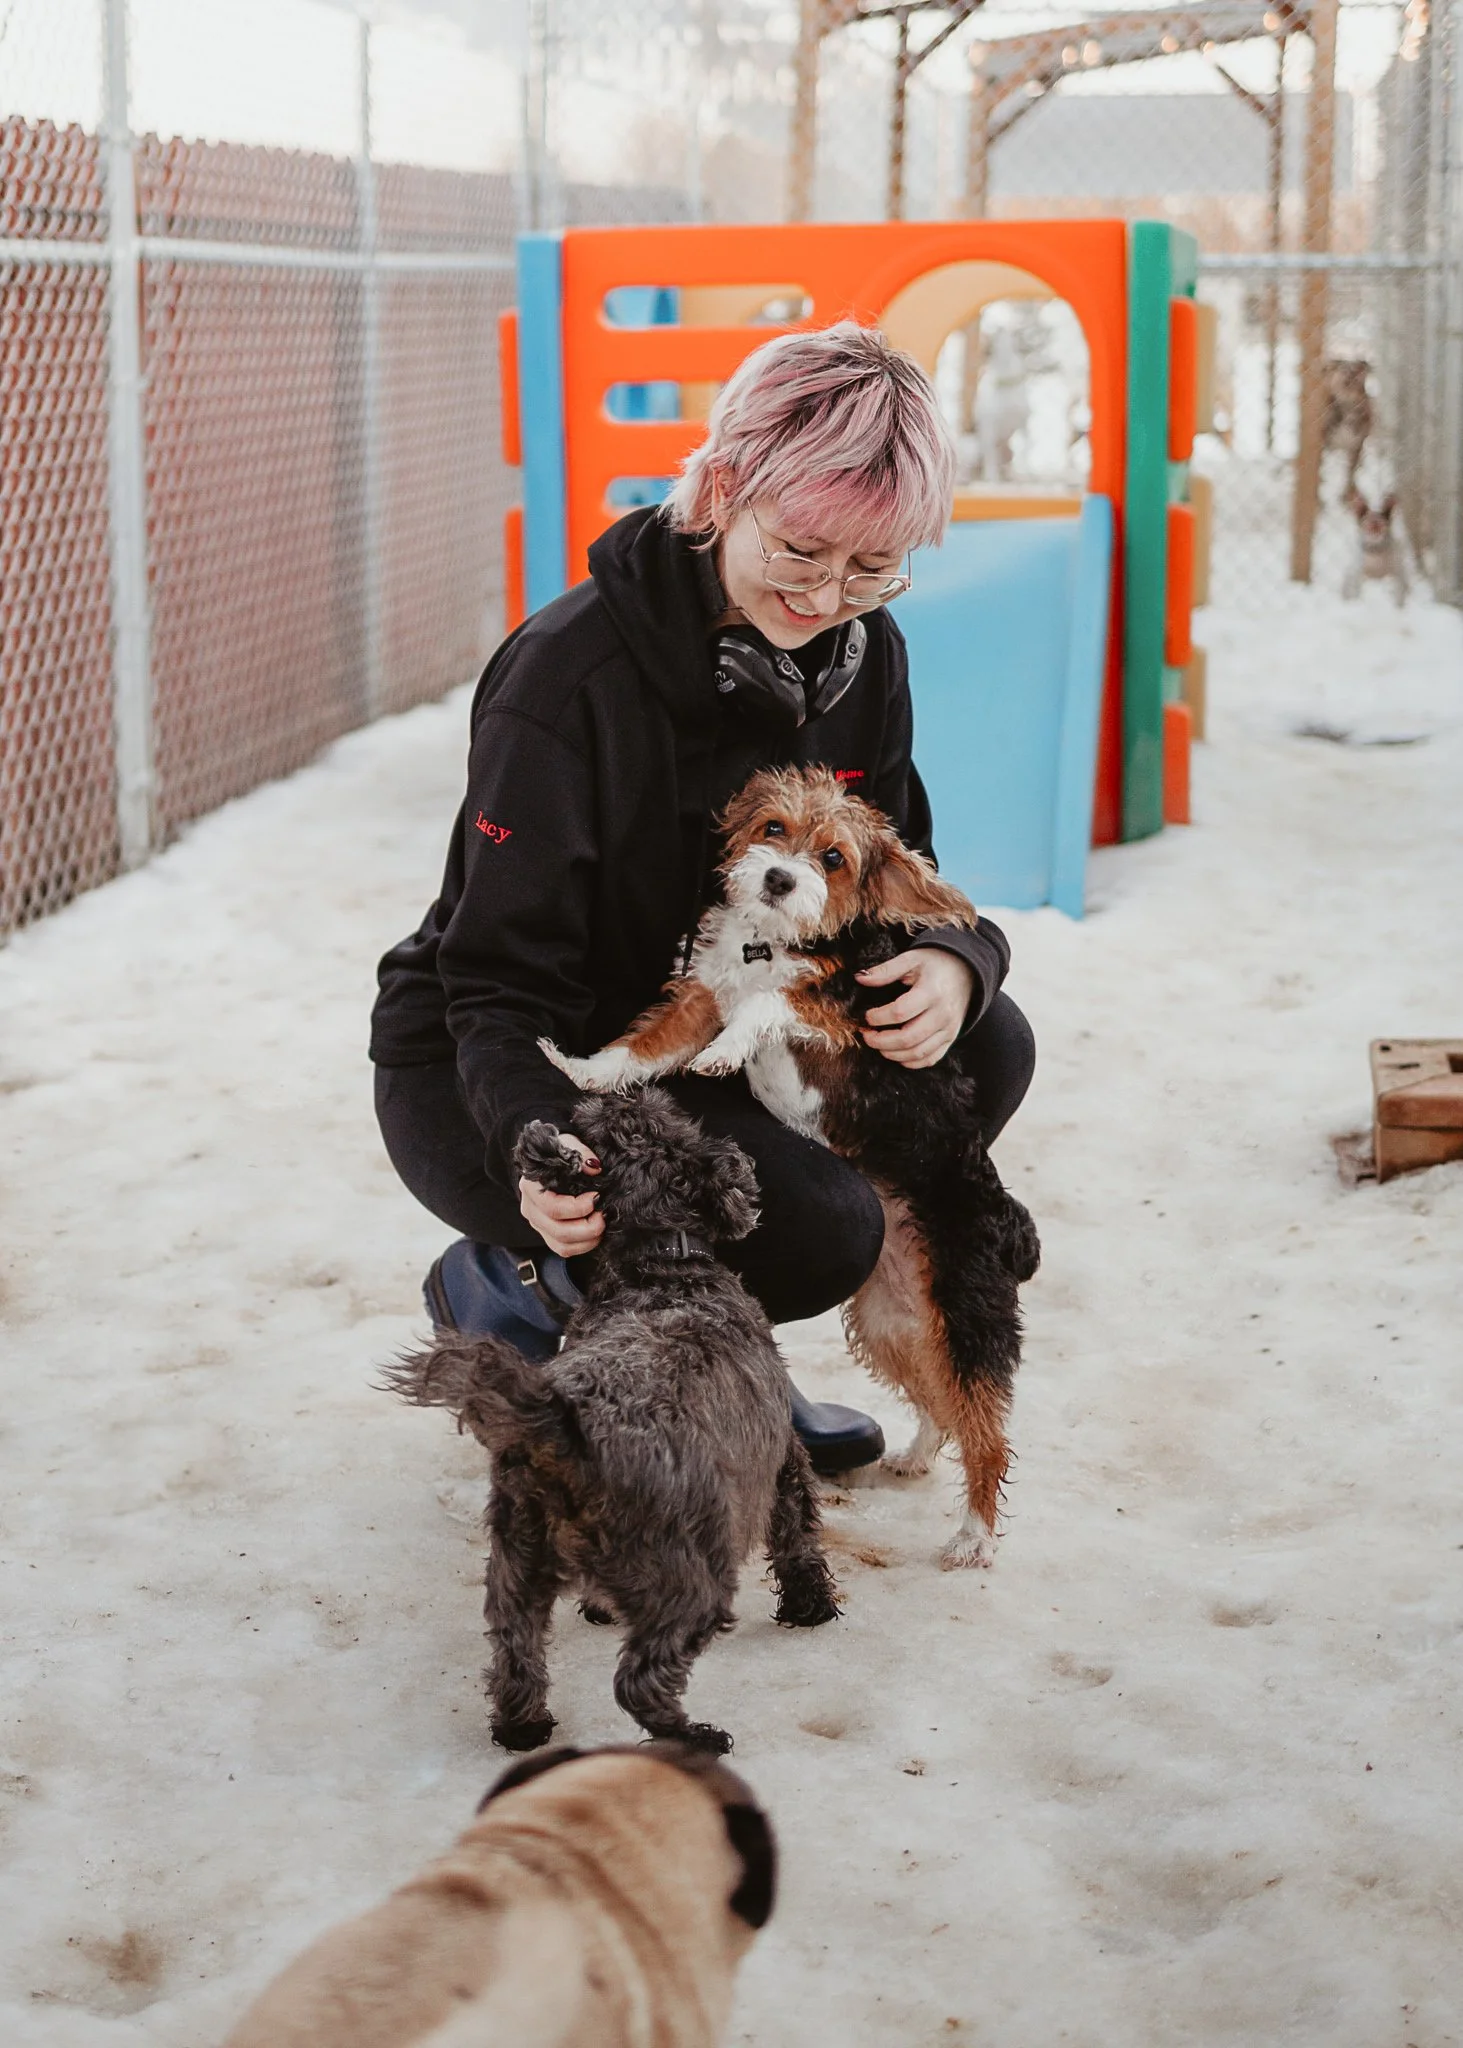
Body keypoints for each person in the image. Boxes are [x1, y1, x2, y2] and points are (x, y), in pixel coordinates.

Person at [369, 321, 1035, 1474]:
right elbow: (491, 982)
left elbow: (902, 866)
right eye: (803, 552)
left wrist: (955, 962)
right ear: (724, 488)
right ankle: (518, 1283)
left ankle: (710, 1341)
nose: (830, 596)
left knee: (988, 1045)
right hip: (520, 1063)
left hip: (715, 1037)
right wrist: (538, 1141)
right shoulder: (566, 681)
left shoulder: (860, 653)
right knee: (826, 1226)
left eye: (873, 567)